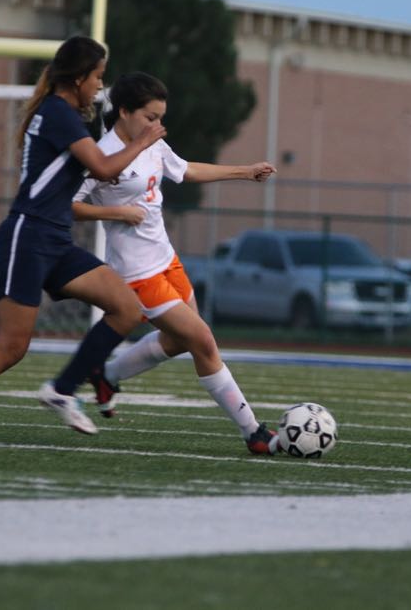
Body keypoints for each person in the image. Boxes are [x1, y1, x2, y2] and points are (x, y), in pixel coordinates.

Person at [0, 36, 166, 444]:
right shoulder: (58, 112)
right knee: (11, 346)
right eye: (97, 77)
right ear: (78, 76)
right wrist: (142, 141)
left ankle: (63, 389)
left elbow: (97, 169)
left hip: (55, 239)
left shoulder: (69, 117)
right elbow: (101, 168)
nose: (100, 86)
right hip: (26, 237)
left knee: (127, 309)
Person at [71, 71, 280, 455]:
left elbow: (185, 170)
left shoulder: (151, 143)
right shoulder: (101, 153)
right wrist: (117, 212)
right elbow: (69, 205)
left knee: (178, 341)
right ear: (124, 111)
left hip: (166, 258)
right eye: (150, 117)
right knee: (202, 340)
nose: (157, 125)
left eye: (160, 117)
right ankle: (254, 432)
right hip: (136, 272)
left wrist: (244, 172)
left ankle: (108, 375)